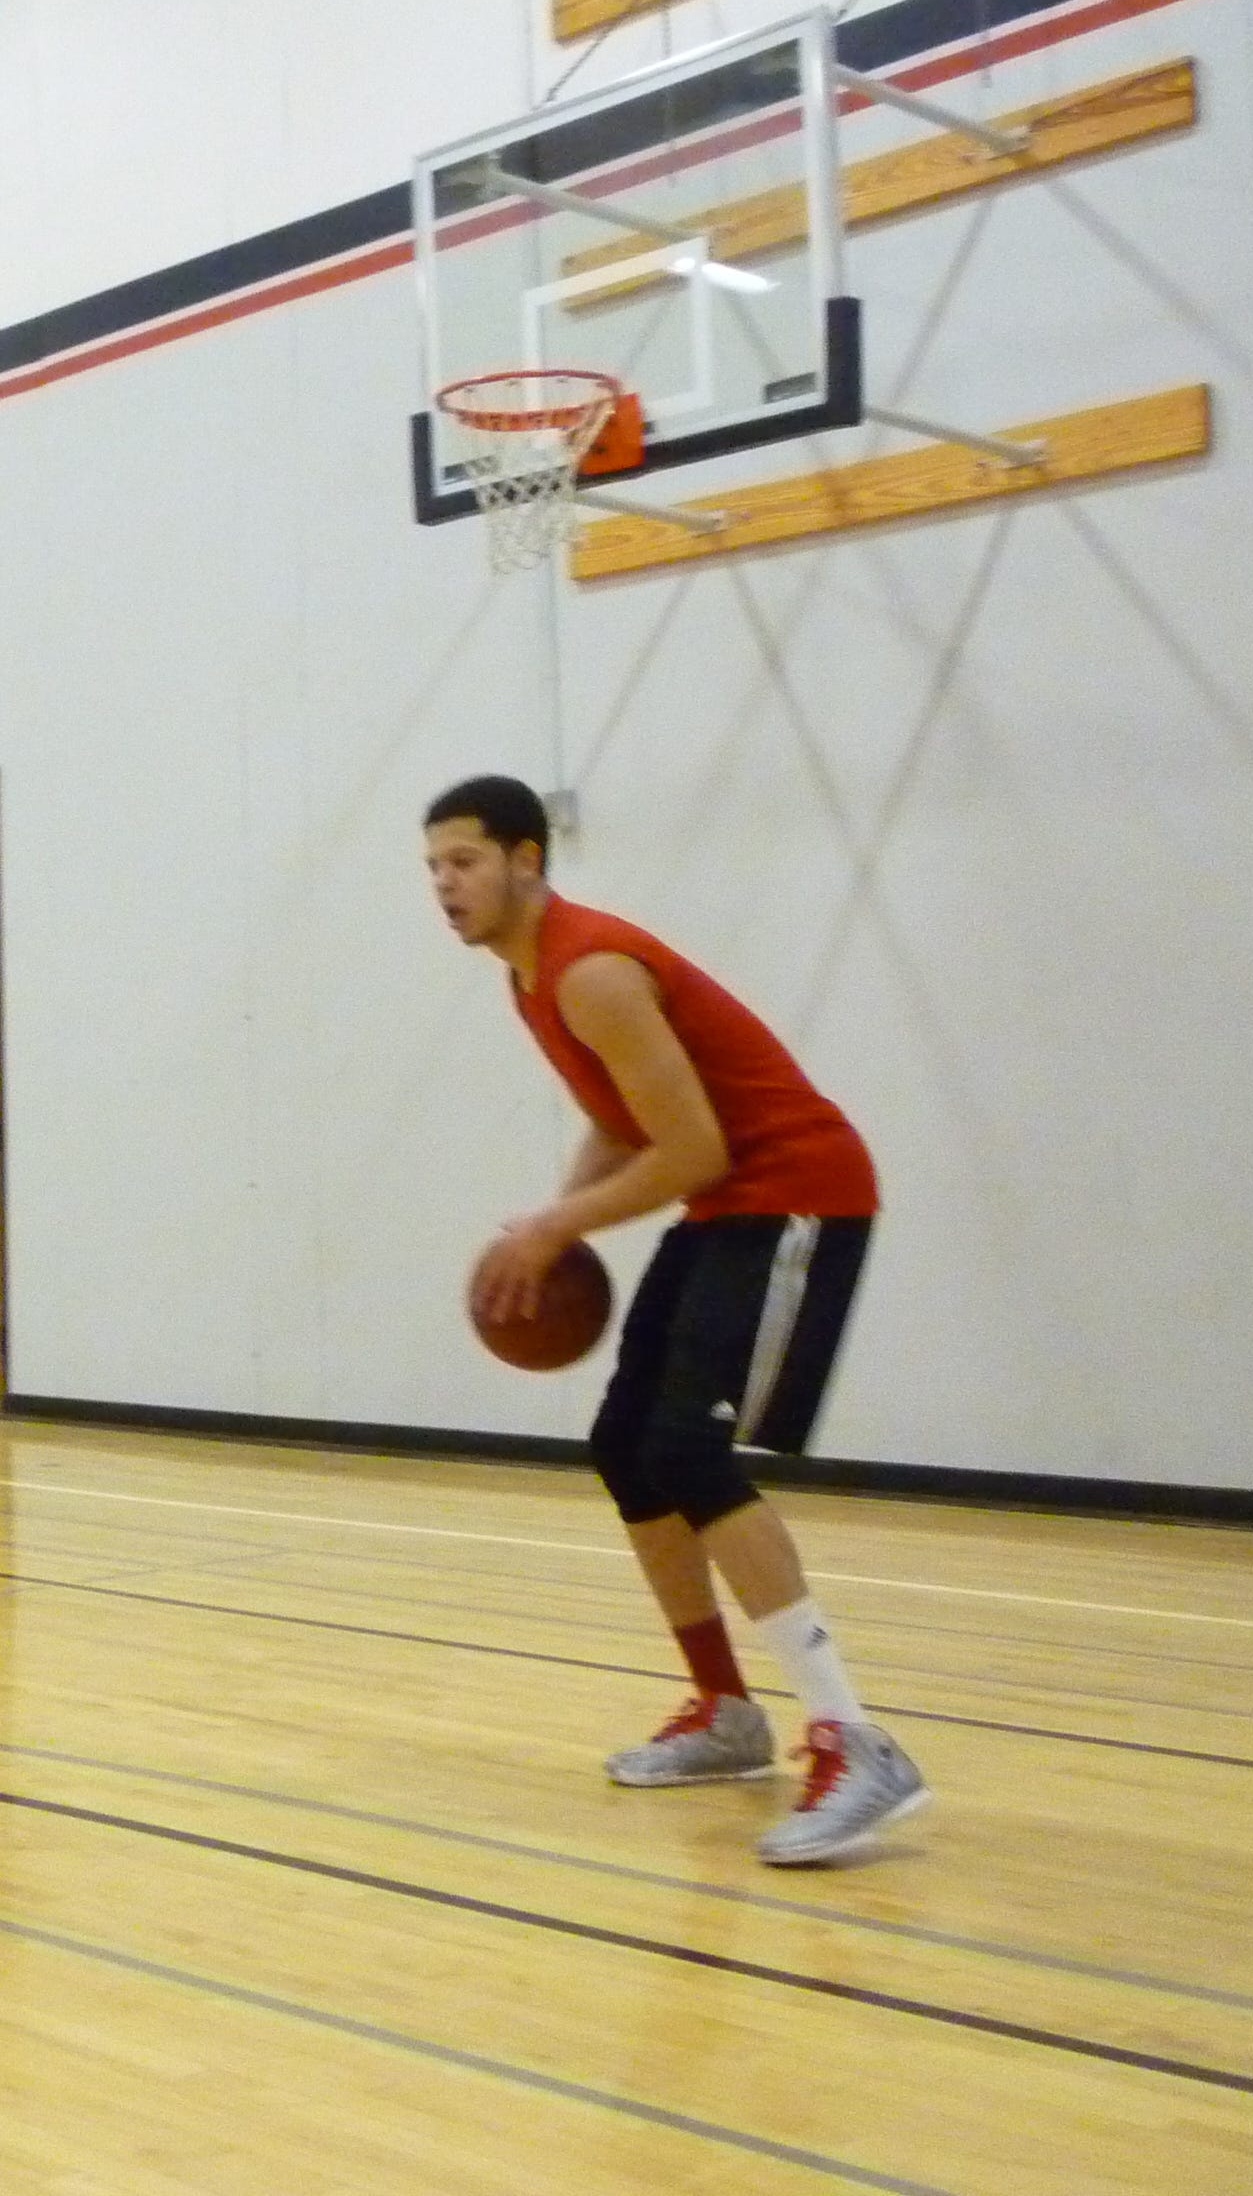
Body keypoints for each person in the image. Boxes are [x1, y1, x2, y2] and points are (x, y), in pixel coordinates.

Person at [423, 773, 927, 1865]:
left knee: (690, 1452)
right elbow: (625, 1122)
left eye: (462, 862)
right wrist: (559, 1217)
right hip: (728, 1203)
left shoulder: (591, 969)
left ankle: (854, 1738)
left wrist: (555, 1233)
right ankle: (725, 1716)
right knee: (629, 1449)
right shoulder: (529, 981)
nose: (444, 886)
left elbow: (692, 1149)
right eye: (431, 869)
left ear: (527, 860)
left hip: (796, 1192)